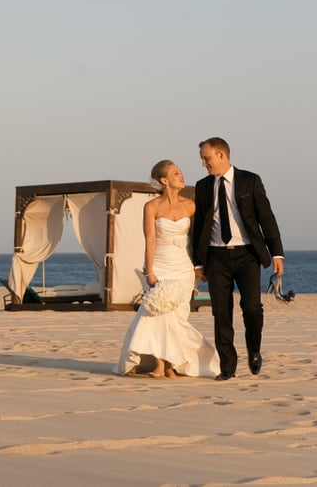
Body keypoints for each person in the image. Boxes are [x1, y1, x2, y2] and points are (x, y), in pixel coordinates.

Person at [114, 160, 220, 379]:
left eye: (180, 171)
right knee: (158, 314)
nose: (181, 175)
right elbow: (150, 240)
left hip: (183, 266)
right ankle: (161, 365)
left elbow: (198, 240)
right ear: (164, 180)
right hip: (161, 265)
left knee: (177, 317)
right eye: (175, 173)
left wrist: (200, 267)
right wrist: (149, 270)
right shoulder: (152, 207)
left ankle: (171, 364)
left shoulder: (191, 205)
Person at [190, 137, 284, 381]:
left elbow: (266, 217)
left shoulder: (249, 181)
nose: (203, 163)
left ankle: (254, 350)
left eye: (206, 158)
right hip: (216, 256)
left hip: (247, 255)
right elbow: (198, 224)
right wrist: (198, 262)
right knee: (221, 313)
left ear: (222, 155)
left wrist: (276, 253)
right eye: (202, 158)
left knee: (251, 308)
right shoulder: (202, 186)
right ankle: (228, 366)